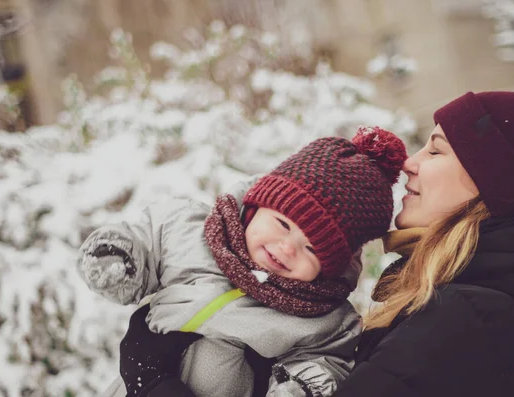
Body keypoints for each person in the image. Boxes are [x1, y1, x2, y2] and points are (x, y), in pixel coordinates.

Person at [132, 90, 514, 397]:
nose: (411, 165)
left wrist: (152, 383)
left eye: (436, 151)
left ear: (493, 183)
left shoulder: (469, 318)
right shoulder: (504, 301)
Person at [77, 126, 408, 397]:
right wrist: (118, 257)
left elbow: (327, 362)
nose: (287, 247)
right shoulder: (190, 232)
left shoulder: (323, 317)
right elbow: (147, 238)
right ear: (254, 207)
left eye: (311, 249)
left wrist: (301, 386)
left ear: (330, 268)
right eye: (283, 224)